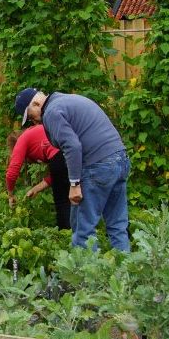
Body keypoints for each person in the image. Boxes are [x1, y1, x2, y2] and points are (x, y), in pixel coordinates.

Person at [14, 88, 130, 251]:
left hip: (98, 165)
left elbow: (72, 146)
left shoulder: (52, 112)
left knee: (83, 231)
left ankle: (88, 275)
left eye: (31, 115)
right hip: (120, 159)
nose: (33, 121)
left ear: (36, 103)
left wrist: (74, 184)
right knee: (117, 226)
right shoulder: (68, 100)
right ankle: (124, 274)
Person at [5, 124, 70, 230]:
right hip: (72, 155)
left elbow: (12, 173)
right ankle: (73, 234)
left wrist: (10, 195)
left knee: (62, 203)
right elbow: (57, 174)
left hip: (65, 155)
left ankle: (66, 235)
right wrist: (35, 189)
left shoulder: (23, 139)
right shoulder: (37, 135)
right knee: (70, 199)